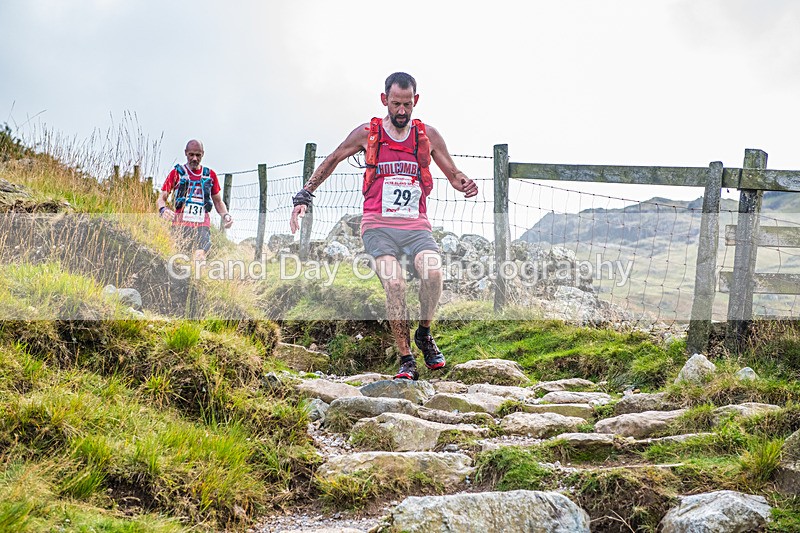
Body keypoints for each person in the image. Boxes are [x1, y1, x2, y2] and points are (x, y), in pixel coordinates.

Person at [290, 72, 478, 380]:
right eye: (395, 104)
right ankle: (406, 358)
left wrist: (465, 184)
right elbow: (334, 158)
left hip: (416, 227)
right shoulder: (369, 133)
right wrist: (305, 193)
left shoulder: (427, 136)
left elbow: (453, 173)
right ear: (384, 101)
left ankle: (424, 334)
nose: (401, 111)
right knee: (394, 283)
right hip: (378, 227)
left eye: (407, 104)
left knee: (433, 272)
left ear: (415, 101)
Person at [157, 139, 233, 261]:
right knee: (179, 260)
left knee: (200, 257)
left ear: (203, 154)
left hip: (202, 225)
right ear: (185, 153)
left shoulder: (210, 175)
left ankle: (199, 278)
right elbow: (162, 197)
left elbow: (218, 201)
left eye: (198, 155)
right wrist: (163, 209)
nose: (194, 158)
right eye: (191, 154)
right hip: (180, 225)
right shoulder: (177, 173)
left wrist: (226, 216)